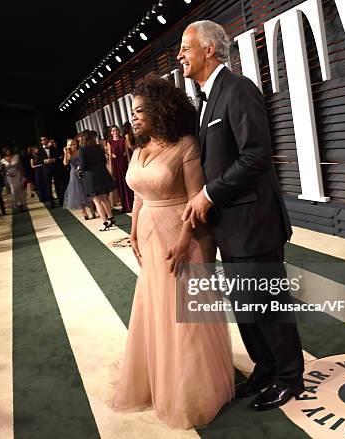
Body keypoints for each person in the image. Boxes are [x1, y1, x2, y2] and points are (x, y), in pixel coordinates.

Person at [178, 20, 304, 411]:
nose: (180, 55)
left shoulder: (238, 89)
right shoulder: (206, 98)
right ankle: (265, 368)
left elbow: (255, 157)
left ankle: (288, 377)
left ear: (209, 50)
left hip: (253, 223)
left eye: (186, 47)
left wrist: (208, 195)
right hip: (229, 227)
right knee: (247, 307)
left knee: (267, 304)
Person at [110, 75, 234, 428]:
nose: (133, 118)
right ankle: (162, 376)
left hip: (183, 234)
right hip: (148, 232)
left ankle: (193, 391)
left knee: (186, 315)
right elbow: (136, 195)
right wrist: (132, 230)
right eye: (132, 112)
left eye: (138, 111)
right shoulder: (138, 148)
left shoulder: (186, 146)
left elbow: (198, 199)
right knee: (157, 307)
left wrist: (184, 239)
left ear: (158, 109)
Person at [78, 131, 116, 231]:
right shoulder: (98, 147)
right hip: (102, 174)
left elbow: (83, 165)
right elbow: (104, 160)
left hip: (91, 177)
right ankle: (111, 218)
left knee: (97, 201)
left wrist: (79, 170)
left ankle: (104, 222)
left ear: (83, 139)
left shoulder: (82, 150)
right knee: (104, 198)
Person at [62, 139, 96, 220]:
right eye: (70, 145)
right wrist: (66, 152)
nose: (72, 146)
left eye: (74, 144)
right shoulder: (68, 153)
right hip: (74, 174)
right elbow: (65, 163)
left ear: (76, 144)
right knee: (78, 193)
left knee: (87, 191)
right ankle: (84, 212)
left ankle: (92, 210)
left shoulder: (80, 151)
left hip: (83, 172)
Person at [106, 125, 134, 212]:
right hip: (116, 165)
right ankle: (125, 205)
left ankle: (132, 204)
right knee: (120, 185)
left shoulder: (123, 140)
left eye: (116, 130)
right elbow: (110, 157)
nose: (115, 132)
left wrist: (130, 162)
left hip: (124, 163)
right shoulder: (109, 142)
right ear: (111, 132)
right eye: (113, 131)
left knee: (127, 183)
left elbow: (127, 153)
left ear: (118, 131)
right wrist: (111, 169)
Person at [0, 147, 27, 213]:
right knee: (13, 190)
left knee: (20, 189)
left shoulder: (16, 157)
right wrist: (7, 173)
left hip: (17, 174)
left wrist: (23, 175)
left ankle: (22, 205)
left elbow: (20, 166)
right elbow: (2, 170)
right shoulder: (2, 160)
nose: (8, 152)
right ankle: (15, 206)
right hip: (9, 176)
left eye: (8, 150)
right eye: (6, 151)